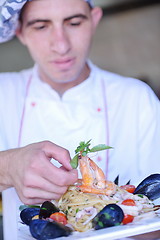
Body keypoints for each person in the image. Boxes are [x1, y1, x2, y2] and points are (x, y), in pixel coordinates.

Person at [0, 0, 160, 239]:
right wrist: (8, 167)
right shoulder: (3, 92)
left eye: (74, 23)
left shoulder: (136, 97)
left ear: (94, 20)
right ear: (21, 32)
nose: (61, 45)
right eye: (41, 26)